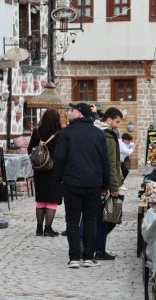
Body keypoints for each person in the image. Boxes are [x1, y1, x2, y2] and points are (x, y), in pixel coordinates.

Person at [54, 102, 109, 269]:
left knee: (72, 220)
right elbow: (105, 162)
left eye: (71, 111)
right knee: (90, 220)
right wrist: (105, 185)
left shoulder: (66, 133)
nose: (68, 113)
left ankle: (74, 258)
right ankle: (88, 257)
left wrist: (58, 180)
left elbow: (59, 159)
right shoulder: (98, 134)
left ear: (79, 113)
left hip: (71, 182)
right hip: (93, 182)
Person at [93, 107, 123, 260]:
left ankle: (90, 246)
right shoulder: (108, 136)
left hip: (95, 181)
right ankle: (99, 248)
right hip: (104, 184)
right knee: (106, 217)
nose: (118, 125)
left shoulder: (94, 130)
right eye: (117, 121)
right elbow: (111, 163)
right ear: (109, 119)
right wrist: (113, 186)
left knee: (94, 216)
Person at [27, 109, 63, 237]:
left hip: (39, 169)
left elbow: (29, 149)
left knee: (41, 199)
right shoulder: (60, 133)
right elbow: (62, 153)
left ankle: (38, 229)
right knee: (52, 199)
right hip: (54, 169)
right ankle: (48, 228)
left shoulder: (37, 131)